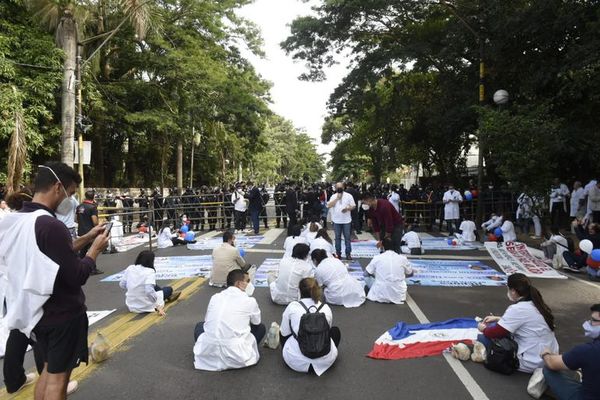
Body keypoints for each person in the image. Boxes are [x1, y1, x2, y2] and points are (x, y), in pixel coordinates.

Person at [0, 162, 109, 399]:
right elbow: (77, 274)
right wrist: (95, 250)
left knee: (47, 375)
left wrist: (87, 237)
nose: (69, 200)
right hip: (63, 315)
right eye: (70, 194)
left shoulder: (15, 220)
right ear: (58, 188)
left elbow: (51, 255)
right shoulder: (51, 225)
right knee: (58, 382)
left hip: (36, 315)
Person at [475, 273, 558, 373]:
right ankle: (544, 374)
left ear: (513, 291)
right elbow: (528, 321)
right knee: (498, 330)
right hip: (550, 356)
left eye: (508, 289)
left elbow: (495, 333)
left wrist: (482, 328)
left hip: (531, 360)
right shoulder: (538, 303)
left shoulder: (517, 309)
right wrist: (498, 318)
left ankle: (539, 374)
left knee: (483, 338)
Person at [193, 270, 265, 371]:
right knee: (261, 328)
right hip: (237, 356)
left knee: (200, 326)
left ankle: (210, 353)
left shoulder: (215, 297)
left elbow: (207, 323)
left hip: (209, 352)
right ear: (239, 283)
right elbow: (256, 323)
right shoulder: (250, 301)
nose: (250, 284)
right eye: (247, 281)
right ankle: (245, 351)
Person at [279, 278, 340, 376]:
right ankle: (325, 355)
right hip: (324, 362)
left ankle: (290, 352)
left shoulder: (292, 307)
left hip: (296, 361)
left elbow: (284, 332)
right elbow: (327, 331)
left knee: (284, 330)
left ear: (299, 291)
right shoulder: (325, 308)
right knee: (335, 331)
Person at [540, 304, 600, 400]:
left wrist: (546, 354)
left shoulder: (586, 350)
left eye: (593, 320)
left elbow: (551, 363)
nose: (589, 322)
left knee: (548, 370)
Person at [119, 251, 180, 315]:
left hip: (132, 305)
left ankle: (163, 294)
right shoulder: (150, 271)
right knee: (168, 289)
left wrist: (133, 286)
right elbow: (148, 291)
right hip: (146, 305)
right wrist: (157, 305)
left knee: (154, 286)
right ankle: (166, 296)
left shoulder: (130, 268)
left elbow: (122, 284)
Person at [364, 238, 413, 304]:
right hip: (398, 295)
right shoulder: (402, 258)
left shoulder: (377, 258)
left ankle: (372, 289)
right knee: (402, 279)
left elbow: (366, 273)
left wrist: (376, 276)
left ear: (383, 246)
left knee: (367, 277)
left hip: (380, 293)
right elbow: (411, 273)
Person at [76, 190, 103, 275]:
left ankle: (78, 267)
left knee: (82, 251)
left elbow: (76, 219)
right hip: (90, 232)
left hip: (81, 231)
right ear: (93, 197)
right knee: (93, 250)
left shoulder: (79, 206)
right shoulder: (92, 207)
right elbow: (95, 221)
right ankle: (92, 269)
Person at [327, 182, 356, 260]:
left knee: (347, 237)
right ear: (336, 188)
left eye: (341, 187)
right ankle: (338, 253)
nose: (339, 188)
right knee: (337, 237)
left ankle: (348, 253)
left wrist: (347, 209)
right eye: (338, 187)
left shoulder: (349, 196)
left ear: (344, 187)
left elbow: (353, 206)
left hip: (346, 220)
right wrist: (337, 198)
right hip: (336, 220)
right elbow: (329, 205)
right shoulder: (333, 196)